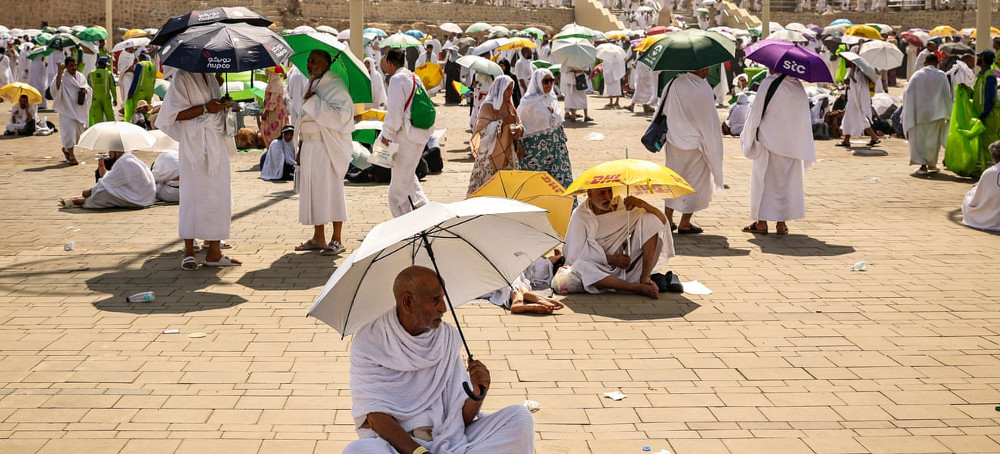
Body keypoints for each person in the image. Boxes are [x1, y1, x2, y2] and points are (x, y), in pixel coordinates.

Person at [345, 266, 536, 454]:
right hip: (399, 446)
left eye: (443, 298)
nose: (443, 308)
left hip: (451, 438)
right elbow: (375, 418)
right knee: (358, 450)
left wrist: (478, 392)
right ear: (408, 303)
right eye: (435, 300)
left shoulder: (446, 338)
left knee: (520, 418)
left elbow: (460, 418)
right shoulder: (369, 343)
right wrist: (420, 452)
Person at [155, 68, 241, 270]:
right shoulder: (182, 76)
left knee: (219, 196)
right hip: (194, 145)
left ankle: (214, 251)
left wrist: (222, 102)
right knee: (192, 196)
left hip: (216, 141)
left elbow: (213, 107)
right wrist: (205, 108)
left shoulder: (211, 76)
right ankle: (189, 251)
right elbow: (172, 114)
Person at [739, 74, 817, 235]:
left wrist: (748, 136)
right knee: (786, 184)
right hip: (792, 145)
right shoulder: (797, 86)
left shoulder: (768, 83)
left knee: (763, 183)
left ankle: (761, 223)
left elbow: (755, 113)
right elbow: (802, 117)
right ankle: (781, 224)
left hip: (768, 142)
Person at [294, 50, 355, 256]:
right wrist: (300, 147)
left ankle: (337, 238)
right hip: (309, 146)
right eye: (308, 61)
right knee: (314, 191)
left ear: (326, 64)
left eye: (313, 62)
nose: (309, 65)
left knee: (331, 191)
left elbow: (343, 116)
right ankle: (318, 236)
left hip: (327, 147)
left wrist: (314, 102)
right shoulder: (313, 83)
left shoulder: (335, 83)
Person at [562, 187, 673, 299]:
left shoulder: (623, 207)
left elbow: (661, 220)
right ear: (589, 193)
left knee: (651, 219)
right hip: (597, 269)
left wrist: (643, 204)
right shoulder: (580, 215)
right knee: (579, 266)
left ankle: (645, 278)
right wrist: (611, 259)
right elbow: (574, 255)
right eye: (602, 193)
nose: (607, 196)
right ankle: (635, 288)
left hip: (626, 267)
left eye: (609, 191)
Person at [659, 67, 725, 234]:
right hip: (696, 144)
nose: (708, 70)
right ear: (700, 69)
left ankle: (668, 219)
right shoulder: (703, 88)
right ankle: (685, 222)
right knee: (695, 182)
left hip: (674, 140)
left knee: (673, 179)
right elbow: (708, 120)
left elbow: (664, 110)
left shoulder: (674, 83)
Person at [381, 48, 433, 217]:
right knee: (409, 179)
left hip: (405, 137)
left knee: (397, 190)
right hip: (419, 135)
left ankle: (403, 222)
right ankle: (427, 212)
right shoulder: (414, 77)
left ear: (390, 64)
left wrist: (386, 135)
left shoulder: (396, 80)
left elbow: (395, 115)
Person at [517, 68, 573, 189]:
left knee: (560, 184)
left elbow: (558, 123)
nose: (549, 84)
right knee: (535, 185)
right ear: (537, 82)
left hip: (556, 151)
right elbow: (519, 126)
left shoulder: (552, 99)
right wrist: (519, 145)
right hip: (535, 153)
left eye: (551, 81)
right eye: (545, 81)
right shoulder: (527, 103)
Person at [467, 75, 522, 195]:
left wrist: (519, 129)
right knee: (487, 186)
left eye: (512, 89)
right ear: (500, 90)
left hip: (508, 151)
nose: (511, 92)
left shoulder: (509, 105)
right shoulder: (487, 107)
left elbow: (518, 122)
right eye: (508, 89)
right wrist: (502, 123)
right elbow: (481, 130)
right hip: (490, 154)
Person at [902, 54, 952, 174]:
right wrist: (948, 113)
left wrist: (908, 113)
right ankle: (931, 164)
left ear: (925, 63)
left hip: (919, 114)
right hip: (937, 114)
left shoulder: (917, 75)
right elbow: (947, 95)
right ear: (937, 63)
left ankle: (923, 166)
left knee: (919, 141)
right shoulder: (942, 76)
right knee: (933, 142)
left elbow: (908, 94)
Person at [58, 150, 155, 209]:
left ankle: (78, 201)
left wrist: (88, 192)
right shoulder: (129, 158)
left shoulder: (123, 161)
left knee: (101, 193)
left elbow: (105, 182)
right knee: (100, 189)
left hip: (139, 199)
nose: (109, 153)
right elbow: (108, 178)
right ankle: (79, 198)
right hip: (144, 197)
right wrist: (101, 162)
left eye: (111, 151)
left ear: (118, 152)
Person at [50, 57, 92, 165]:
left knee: (78, 136)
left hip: (78, 110)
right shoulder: (61, 76)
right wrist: (59, 72)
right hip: (66, 110)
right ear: (66, 66)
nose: (74, 67)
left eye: (75, 65)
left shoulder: (80, 76)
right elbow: (56, 89)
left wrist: (85, 90)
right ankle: (72, 156)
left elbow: (88, 88)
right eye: (71, 65)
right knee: (69, 132)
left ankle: (66, 149)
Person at [838, 60, 880, 148]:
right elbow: (850, 84)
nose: (845, 62)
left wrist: (850, 82)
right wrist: (846, 85)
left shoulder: (859, 73)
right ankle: (847, 140)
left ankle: (874, 137)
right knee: (849, 119)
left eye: (847, 61)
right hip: (852, 98)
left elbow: (861, 86)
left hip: (857, 100)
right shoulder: (851, 70)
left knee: (859, 119)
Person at [962, 140, 1000, 231]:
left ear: (994, 157)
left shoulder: (990, 172)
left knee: (969, 196)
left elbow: (978, 197)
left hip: (991, 218)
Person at [973, 50, 1000, 176]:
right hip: (981, 116)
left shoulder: (989, 76)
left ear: (983, 58)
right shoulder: (981, 75)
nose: (977, 59)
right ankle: (981, 171)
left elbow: (989, 97)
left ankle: (991, 171)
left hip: (987, 117)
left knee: (989, 145)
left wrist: (984, 114)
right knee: (981, 144)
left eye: (979, 57)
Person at [259, 67, 289, 145]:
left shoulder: (275, 84)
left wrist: (266, 112)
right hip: (274, 111)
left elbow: (273, 101)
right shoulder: (272, 83)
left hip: (275, 112)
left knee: (275, 133)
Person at [123, 53, 155, 124]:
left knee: (138, 109)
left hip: (140, 91)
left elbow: (136, 79)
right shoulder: (153, 65)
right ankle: (146, 124)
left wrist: (131, 92)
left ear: (140, 57)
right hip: (150, 91)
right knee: (147, 109)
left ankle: (137, 124)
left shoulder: (140, 65)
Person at [87, 56, 117, 125]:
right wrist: (115, 98)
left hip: (95, 98)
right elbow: (113, 87)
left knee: (97, 119)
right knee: (110, 117)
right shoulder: (108, 73)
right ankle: (111, 130)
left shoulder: (91, 74)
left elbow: (88, 87)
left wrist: (89, 99)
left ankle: (99, 131)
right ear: (105, 64)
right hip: (106, 98)